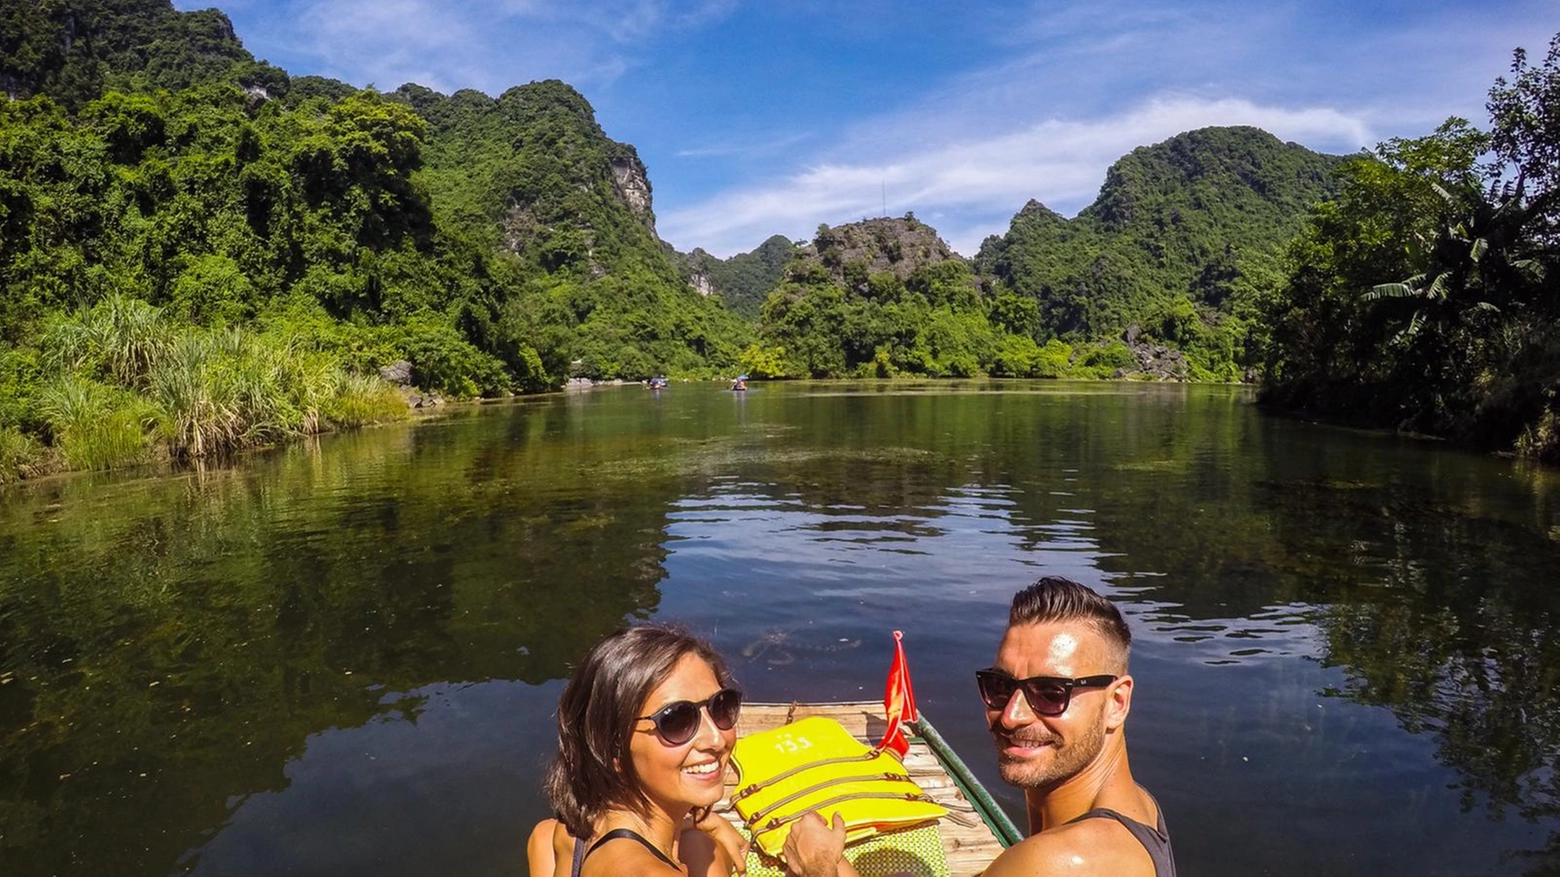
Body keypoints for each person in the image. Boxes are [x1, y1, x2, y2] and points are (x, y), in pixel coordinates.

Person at [976, 575, 1176, 876]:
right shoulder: (1139, 806)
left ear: (1116, 703)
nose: (1011, 716)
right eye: (1000, 686)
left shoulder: (1053, 862)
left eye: (1051, 693)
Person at [527, 624, 750, 877]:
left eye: (720, 706)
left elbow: (542, 836)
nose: (716, 739)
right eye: (675, 720)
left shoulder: (563, 837)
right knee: (707, 852)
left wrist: (694, 823)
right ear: (613, 749)